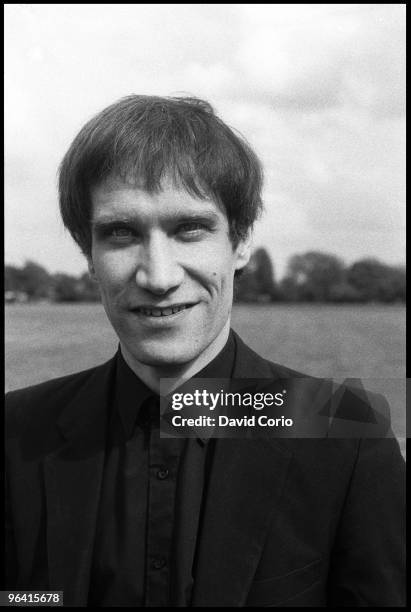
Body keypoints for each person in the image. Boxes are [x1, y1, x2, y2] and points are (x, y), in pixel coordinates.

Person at [5, 95, 405, 607]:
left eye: (189, 229)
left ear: (239, 243)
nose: (159, 276)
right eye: (121, 233)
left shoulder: (346, 429)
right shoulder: (17, 431)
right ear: (89, 255)